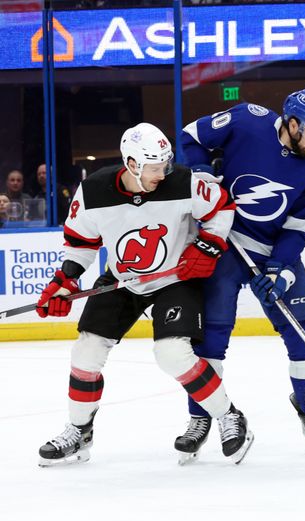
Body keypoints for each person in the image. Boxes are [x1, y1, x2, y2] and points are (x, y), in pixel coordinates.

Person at [36, 122, 252, 467]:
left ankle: (230, 416)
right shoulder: (92, 191)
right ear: (132, 164)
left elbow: (221, 207)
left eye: (165, 164)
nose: (163, 173)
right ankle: (80, 431)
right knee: (86, 351)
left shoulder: (183, 182)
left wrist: (208, 245)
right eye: (154, 167)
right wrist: (66, 280)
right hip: (123, 280)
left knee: (172, 353)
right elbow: (81, 244)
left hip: (175, 279)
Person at [180, 90, 305, 457]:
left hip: (274, 249)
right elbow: (191, 136)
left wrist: (280, 268)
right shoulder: (248, 120)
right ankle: (201, 418)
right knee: (210, 338)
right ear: (292, 124)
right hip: (225, 241)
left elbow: (303, 223)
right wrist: (200, 173)